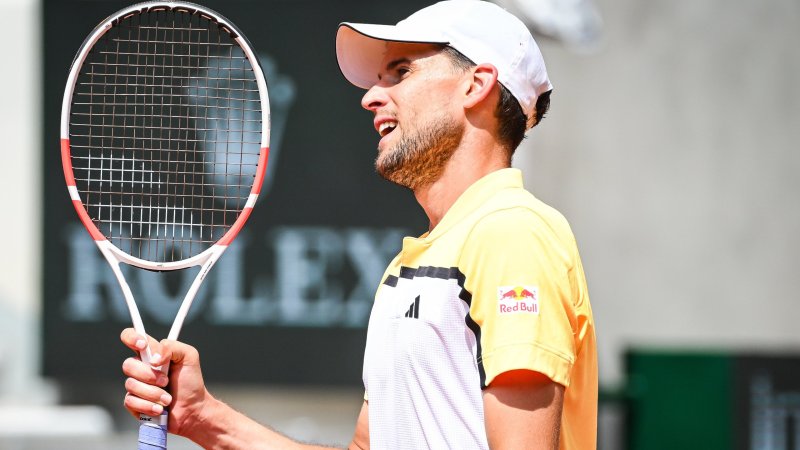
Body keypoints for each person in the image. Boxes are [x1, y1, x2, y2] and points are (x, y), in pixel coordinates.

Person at [120, 1, 597, 449]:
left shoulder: (512, 234)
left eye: (401, 72)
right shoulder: (409, 266)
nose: (371, 96)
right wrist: (205, 418)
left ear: (476, 85)